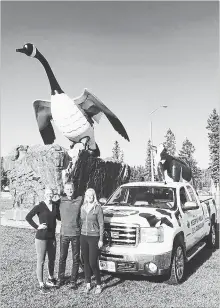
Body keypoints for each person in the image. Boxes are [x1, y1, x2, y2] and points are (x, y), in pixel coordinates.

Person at [25, 187, 60, 294]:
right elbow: (28, 217)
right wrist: (37, 226)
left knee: (52, 259)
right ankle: (41, 284)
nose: (50, 195)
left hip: (52, 237)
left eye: (51, 193)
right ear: (45, 194)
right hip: (41, 237)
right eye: (48, 193)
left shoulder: (55, 206)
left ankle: (50, 278)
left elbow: (59, 217)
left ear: (53, 195)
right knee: (41, 261)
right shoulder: (40, 206)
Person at [57, 182, 83, 289]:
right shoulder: (60, 200)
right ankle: (60, 278)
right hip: (64, 234)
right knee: (62, 257)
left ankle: (73, 280)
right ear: (64, 190)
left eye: (71, 189)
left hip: (76, 234)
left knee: (76, 258)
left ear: (74, 189)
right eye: (67, 189)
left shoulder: (80, 199)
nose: (69, 191)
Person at [80, 188, 104, 295]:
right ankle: (88, 284)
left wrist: (101, 239)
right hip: (83, 236)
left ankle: (99, 284)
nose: (90, 197)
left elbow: (102, 224)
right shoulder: (83, 207)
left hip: (94, 237)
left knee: (92, 262)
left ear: (94, 196)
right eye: (88, 195)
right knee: (85, 262)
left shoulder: (98, 208)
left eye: (92, 195)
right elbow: (81, 221)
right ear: (85, 196)